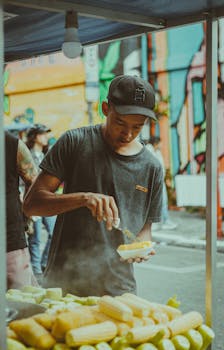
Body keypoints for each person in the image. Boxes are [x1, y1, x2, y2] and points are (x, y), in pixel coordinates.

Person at [23, 75, 164, 296]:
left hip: (119, 287)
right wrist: (84, 198)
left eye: (137, 127)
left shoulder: (152, 167)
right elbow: (31, 205)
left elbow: (145, 229)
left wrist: (142, 245)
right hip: (65, 282)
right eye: (120, 123)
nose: (128, 134)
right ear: (106, 108)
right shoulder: (74, 142)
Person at [5, 131, 38, 289]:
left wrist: (26, 212)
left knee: (21, 301)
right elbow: (34, 181)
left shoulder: (11, 143)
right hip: (11, 240)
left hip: (10, 240)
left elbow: (34, 182)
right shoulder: (12, 143)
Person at [26, 124, 56, 280]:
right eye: (43, 134)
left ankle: (44, 263)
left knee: (54, 232)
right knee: (36, 238)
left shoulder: (46, 155)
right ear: (35, 136)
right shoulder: (27, 154)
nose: (46, 137)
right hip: (34, 202)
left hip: (48, 200)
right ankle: (36, 271)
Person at [146, 136, 177, 230]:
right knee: (153, 202)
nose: (161, 145)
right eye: (160, 143)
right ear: (156, 143)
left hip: (160, 181)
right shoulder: (148, 151)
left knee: (163, 201)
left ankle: (165, 221)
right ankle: (153, 223)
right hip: (152, 181)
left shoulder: (158, 152)